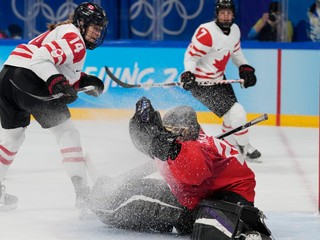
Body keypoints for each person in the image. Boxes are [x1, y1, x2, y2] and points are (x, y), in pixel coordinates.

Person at [90, 97, 274, 240]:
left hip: (215, 202)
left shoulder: (191, 147)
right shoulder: (185, 143)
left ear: (184, 129)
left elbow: (195, 175)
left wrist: (169, 150)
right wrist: (120, 180)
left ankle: (98, 202)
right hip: (208, 197)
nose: (166, 132)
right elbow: (155, 159)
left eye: (171, 128)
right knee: (132, 189)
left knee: (122, 199)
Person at [0, 2, 108, 211]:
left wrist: (83, 81)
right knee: (67, 133)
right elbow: (40, 60)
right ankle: (83, 195)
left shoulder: (65, 32)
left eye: (100, 29)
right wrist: (56, 82)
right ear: (82, 23)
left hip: (7, 78)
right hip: (29, 79)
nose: (97, 33)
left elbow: (56, 64)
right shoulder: (76, 39)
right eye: (94, 28)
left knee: (12, 138)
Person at [180, 0, 262, 163]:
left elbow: (237, 54)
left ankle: (227, 145)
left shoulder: (235, 31)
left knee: (231, 118)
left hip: (219, 80)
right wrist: (188, 73)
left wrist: (245, 68)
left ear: (233, 14)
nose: (225, 16)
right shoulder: (207, 32)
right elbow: (191, 56)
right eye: (222, 13)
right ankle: (244, 146)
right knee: (237, 113)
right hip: (201, 84)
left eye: (229, 13)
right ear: (217, 14)